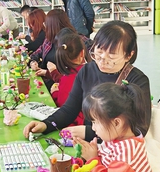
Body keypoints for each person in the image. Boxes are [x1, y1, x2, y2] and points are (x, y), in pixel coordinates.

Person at [23, 20, 151, 140]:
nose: (102, 60)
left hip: (117, 151)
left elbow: (140, 129)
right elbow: (69, 110)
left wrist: (89, 132)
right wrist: (46, 125)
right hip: (89, 145)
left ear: (128, 55)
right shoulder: (87, 71)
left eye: (111, 55)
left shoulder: (137, 80)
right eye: (99, 51)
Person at [48, 30, 88, 124]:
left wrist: (55, 93)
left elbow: (64, 107)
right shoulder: (90, 70)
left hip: (76, 125)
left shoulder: (68, 78)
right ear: (82, 53)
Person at [29, 9, 75, 77]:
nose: (45, 26)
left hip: (58, 81)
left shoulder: (72, 41)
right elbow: (35, 54)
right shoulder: (49, 39)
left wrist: (47, 73)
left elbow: (70, 76)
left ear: (52, 26)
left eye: (46, 24)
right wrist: (33, 62)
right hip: (45, 77)